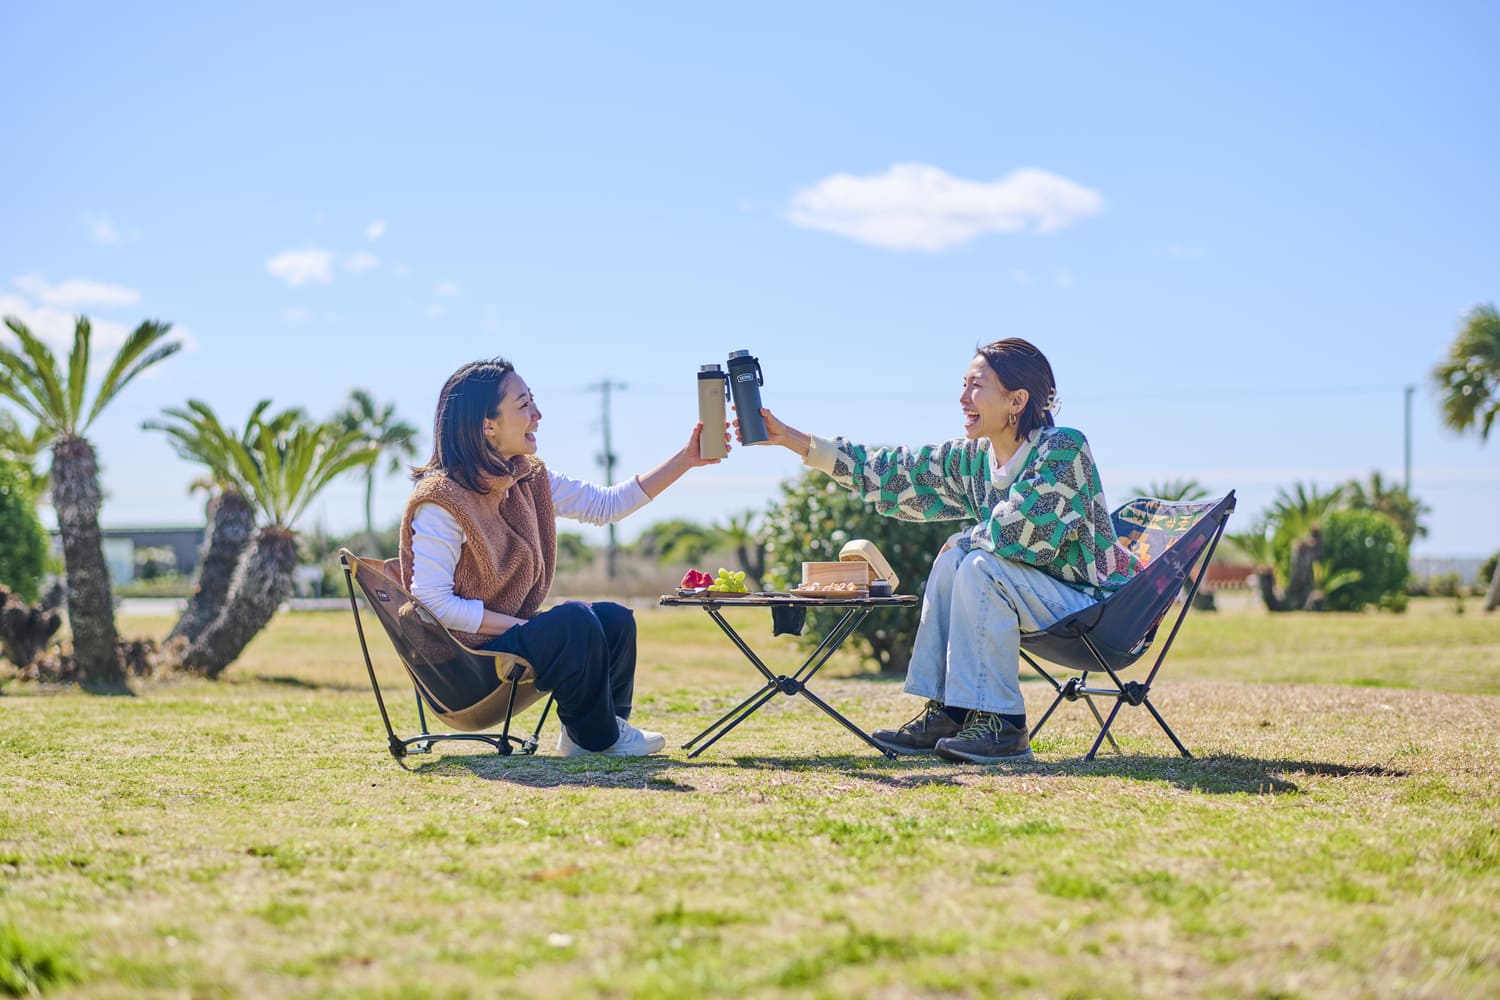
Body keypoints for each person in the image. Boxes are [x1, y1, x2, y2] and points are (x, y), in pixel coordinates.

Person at [743, 338, 1138, 764]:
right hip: (1041, 604)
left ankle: (1004, 726)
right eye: (964, 384)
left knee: (977, 561)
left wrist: (965, 539)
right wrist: (794, 440)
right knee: (957, 559)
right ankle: (951, 712)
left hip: (1095, 609)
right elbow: (893, 472)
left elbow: (1023, 532)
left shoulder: (1063, 449)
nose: (964, 397)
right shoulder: (973, 459)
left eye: (977, 386)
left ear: (1016, 400)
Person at [400, 357, 727, 757]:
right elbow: (432, 604)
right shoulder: (440, 501)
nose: (537, 415)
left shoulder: (526, 477)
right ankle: (599, 740)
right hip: (464, 665)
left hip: (502, 641)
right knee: (574, 620)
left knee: (613, 618)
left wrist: (686, 459)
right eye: (523, 406)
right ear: (488, 426)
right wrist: (525, 624)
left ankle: (593, 732)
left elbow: (606, 505)